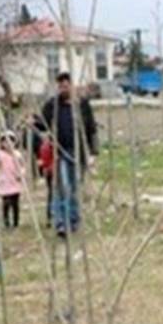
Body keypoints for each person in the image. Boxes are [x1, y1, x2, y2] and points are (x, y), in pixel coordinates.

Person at [40, 72, 99, 236]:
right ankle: (61, 222)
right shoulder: (53, 105)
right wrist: (33, 122)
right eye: (61, 86)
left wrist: (93, 152)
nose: (63, 89)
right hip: (61, 152)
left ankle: (73, 220)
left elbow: (91, 129)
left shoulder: (82, 105)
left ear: (72, 86)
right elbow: (42, 123)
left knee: (74, 187)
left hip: (79, 152)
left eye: (66, 85)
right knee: (62, 187)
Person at [0, 131, 25, 229]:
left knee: (15, 203)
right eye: (5, 142)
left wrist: (21, 174)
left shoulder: (17, 155)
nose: (8, 144)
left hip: (15, 181)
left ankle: (16, 222)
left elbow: (22, 166)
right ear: (2, 144)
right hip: (4, 181)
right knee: (6, 202)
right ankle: (6, 221)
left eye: (10, 141)